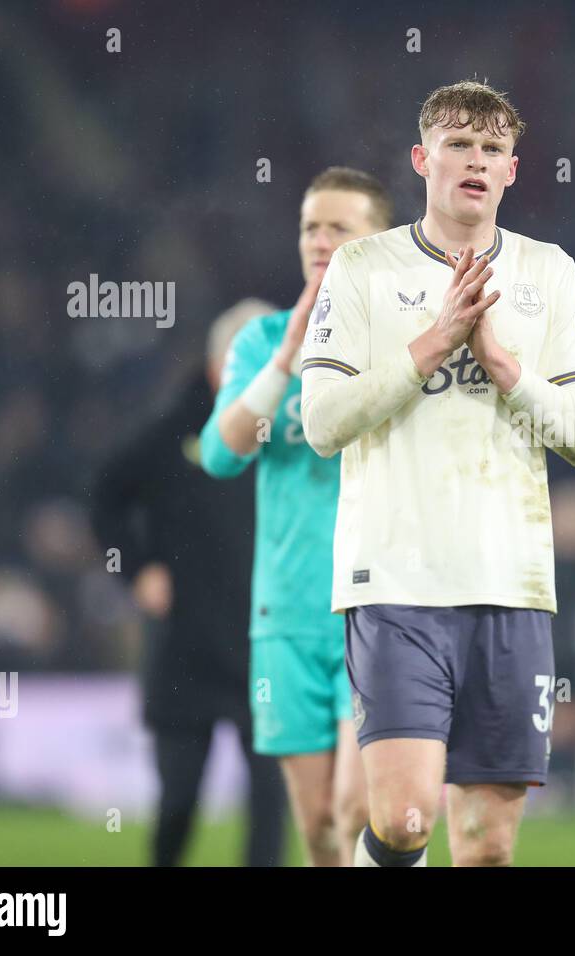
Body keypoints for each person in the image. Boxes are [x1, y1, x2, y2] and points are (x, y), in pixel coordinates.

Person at [300, 80, 575, 867]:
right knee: (403, 819)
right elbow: (322, 422)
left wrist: (501, 364)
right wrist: (432, 345)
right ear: (421, 159)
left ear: (512, 171)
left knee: (487, 845)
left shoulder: (550, 272)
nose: (476, 160)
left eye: (493, 149)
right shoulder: (363, 267)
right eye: (459, 145)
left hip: (510, 585)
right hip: (397, 582)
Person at [200, 167, 392, 865]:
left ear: (379, 242)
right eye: (311, 225)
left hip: (376, 608)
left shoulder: (406, 343)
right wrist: (288, 355)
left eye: (340, 227)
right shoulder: (259, 342)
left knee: (358, 807)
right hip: (285, 613)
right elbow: (222, 457)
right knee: (314, 825)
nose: (320, 239)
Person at [91, 298, 286, 867]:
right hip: (185, 649)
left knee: (271, 807)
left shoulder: (292, 430)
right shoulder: (169, 432)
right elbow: (104, 494)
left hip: (266, 647)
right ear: (214, 366)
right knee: (178, 805)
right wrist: (138, 566)